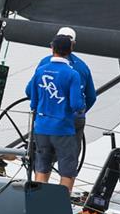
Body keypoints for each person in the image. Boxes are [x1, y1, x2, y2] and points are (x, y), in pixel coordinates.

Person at [27, 35, 85, 192]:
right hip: (63, 131)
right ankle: (59, 212)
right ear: (70, 50)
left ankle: (38, 207)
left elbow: (33, 102)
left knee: (42, 169)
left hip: (41, 129)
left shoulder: (40, 71)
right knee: (67, 173)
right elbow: (76, 105)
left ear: (52, 48)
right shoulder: (73, 74)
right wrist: (82, 105)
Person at [27, 27, 95, 151]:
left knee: (43, 159)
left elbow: (29, 91)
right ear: (72, 45)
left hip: (47, 118)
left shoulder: (44, 63)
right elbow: (91, 97)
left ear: (53, 44)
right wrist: (80, 113)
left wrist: (41, 105)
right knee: (70, 159)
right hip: (74, 119)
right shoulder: (82, 67)